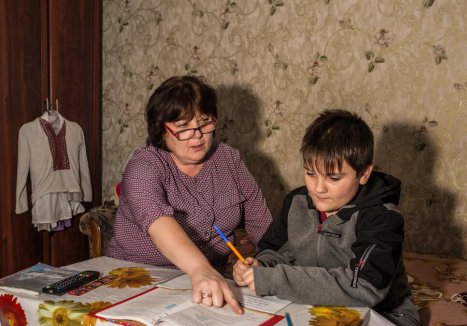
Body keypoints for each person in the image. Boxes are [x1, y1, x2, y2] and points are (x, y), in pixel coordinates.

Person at [233, 109, 419, 325]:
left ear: (364, 174)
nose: (318, 188)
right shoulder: (297, 202)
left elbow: (365, 287)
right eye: (310, 173)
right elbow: (276, 252)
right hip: (314, 307)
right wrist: (259, 267)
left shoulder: (382, 218)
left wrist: (276, 280)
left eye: (333, 177)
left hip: (383, 314)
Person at [105, 75, 272, 314]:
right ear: (160, 131)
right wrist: (200, 269)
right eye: (183, 127)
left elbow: (261, 223)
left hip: (208, 283)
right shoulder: (143, 165)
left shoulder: (229, 159)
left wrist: (268, 264)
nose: (197, 134)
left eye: (205, 123)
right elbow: (157, 219)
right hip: (136, 278)